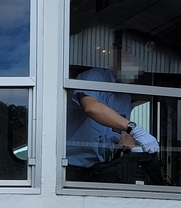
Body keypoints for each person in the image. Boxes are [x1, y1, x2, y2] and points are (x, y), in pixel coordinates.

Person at [65, 42, 161, 184]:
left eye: (139, 64)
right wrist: (135, 129)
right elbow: (91, 107)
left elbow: (122, 134)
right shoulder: (94, 76)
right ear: (116, 58)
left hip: (99, 168)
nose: (135, 67)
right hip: (69, 165)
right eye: (131, 61)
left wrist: (135, 148)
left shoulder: (125, 97)